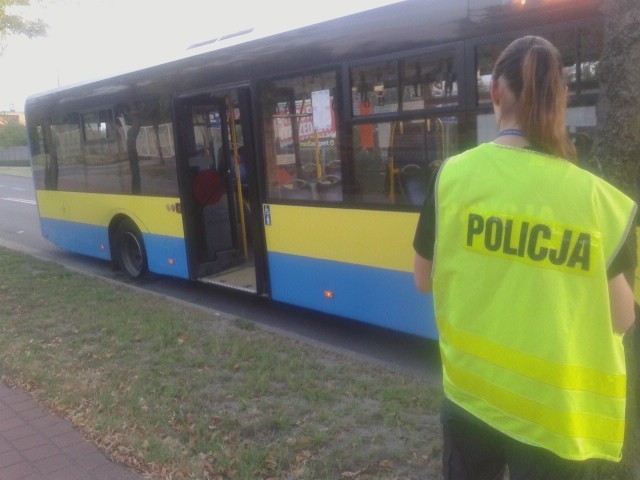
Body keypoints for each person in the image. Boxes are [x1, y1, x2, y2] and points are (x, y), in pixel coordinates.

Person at [413, 36, 637, 480]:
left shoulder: (451, 178)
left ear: (495, 92)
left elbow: (424, 278)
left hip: (470, 398)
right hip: (554, 420)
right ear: (561, 99)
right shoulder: (598, 202)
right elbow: (622, 318)